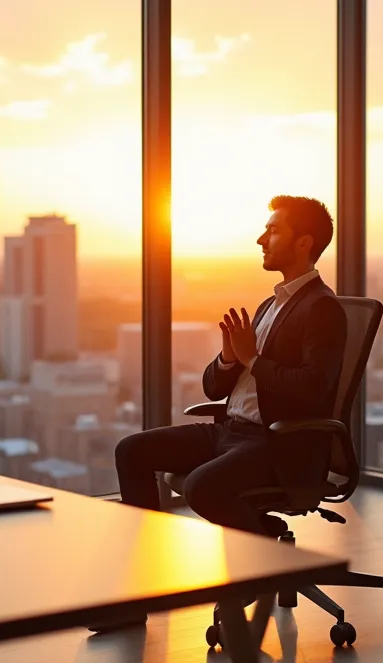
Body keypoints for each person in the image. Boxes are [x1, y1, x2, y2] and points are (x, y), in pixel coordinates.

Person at [89, 195, 346, 633]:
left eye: (274, 231)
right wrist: (230, 359)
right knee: (132, 450)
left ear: (304, 242)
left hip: (277, 441)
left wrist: (252, 360)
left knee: (201, 485)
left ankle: (263, 556)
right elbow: (214, 387)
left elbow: (313, 387)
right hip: (230, 430)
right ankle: (137, 596)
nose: (261, 239)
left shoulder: (322, 308)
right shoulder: (269, 306)